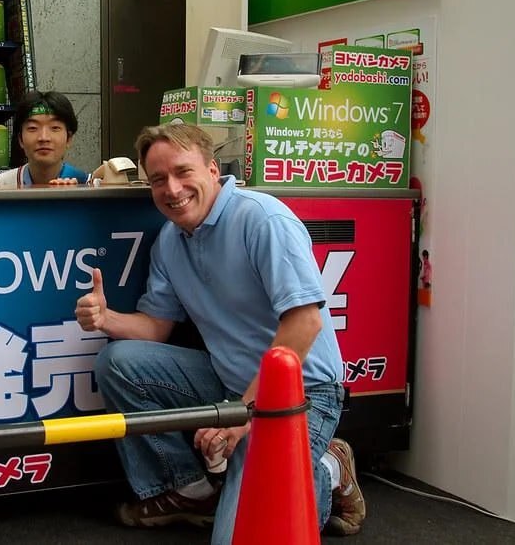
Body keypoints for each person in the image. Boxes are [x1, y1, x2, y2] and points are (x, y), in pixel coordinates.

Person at [75, 123, 365, 543]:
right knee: (118, 363)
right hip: (228, 381)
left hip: (301, 391)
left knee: (244, 535)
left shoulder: (262, 218)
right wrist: (106, 319)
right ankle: (191, 492)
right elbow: (156, 326)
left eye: (183, 172)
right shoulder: (170, 241)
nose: (172, 189)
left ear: (213, 170)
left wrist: (244, 415)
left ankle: (327, 468)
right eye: (158, 179)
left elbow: (305, 323)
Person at [0, 90, 91, 188]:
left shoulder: (86, 183)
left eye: (55, 128)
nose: (44, 138)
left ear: (69, 138)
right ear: (20, 139)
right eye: (33, 128)